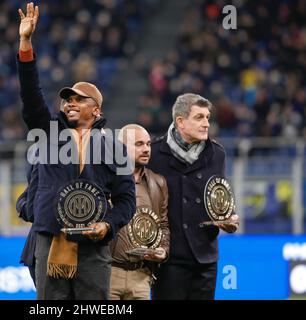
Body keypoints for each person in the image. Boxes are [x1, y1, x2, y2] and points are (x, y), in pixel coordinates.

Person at [16, 2, 136, 300]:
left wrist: (107, 225)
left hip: (94, 248)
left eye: (78, 99)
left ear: (96, 110)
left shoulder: (113, 147)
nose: (69, 103)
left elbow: (126, 200)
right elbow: (31, 97)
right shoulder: (48, 133)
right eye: (66, 99)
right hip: (50, 240)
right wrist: (26, 43)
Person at [148, 93, 240, 300]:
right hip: (169, 258)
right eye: (199, 117)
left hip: (205, 257)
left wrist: (230, 217)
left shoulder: (217, 153)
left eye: (207, 117)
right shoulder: (153, 154)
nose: (207, 123)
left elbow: (220, 193)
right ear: (180, 121)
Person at [108, 124, 170, 300]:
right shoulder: (105, 178)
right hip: (109, 273)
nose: (146, 149)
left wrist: (163, 251)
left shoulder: (158, 183)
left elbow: (163, 225)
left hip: (142, 276)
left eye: (148, 144)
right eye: (139, 144)